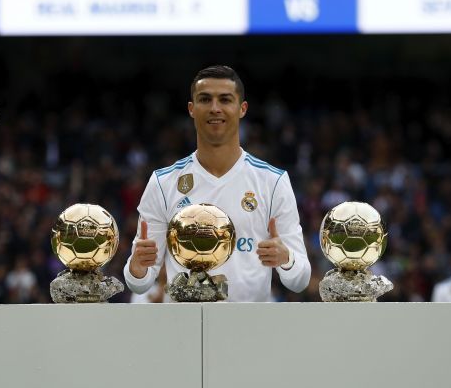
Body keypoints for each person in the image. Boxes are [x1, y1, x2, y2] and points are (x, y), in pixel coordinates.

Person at [123, 65, 311, 302]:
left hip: (248, 330)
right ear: (191, 109)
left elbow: (300, 280)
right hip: (184, 330)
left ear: (242, 109)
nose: (215, 108)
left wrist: (286, 259)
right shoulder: (163, 182)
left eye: (225, 99)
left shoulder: (272, 182)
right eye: (205, 99)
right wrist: (137, 266)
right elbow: (139, 282)